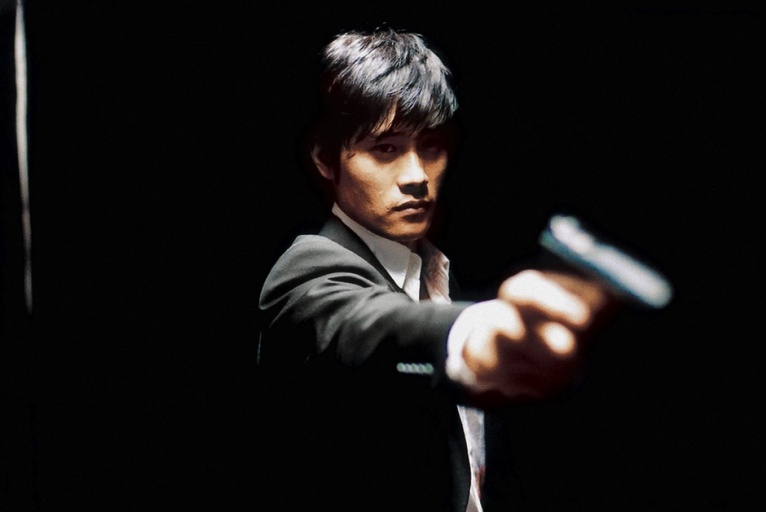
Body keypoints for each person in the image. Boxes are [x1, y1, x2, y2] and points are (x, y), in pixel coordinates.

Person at [256, 26, 612, 512]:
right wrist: (474, 332)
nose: (417, 176)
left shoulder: (440, 275)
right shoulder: (307, 270)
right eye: (385, 148)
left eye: (430, 147)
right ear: (325, 158)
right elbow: (367, 323)